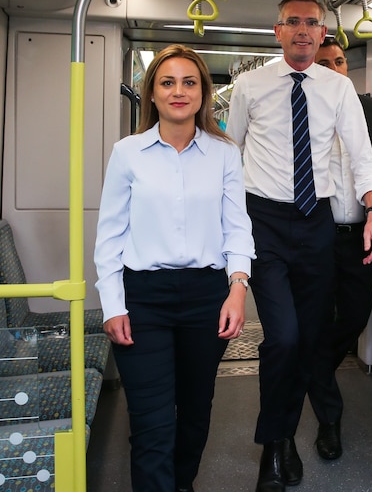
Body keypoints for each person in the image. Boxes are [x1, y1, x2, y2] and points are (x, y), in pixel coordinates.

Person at [226, 0, 372, 492]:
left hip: (315, 220)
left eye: (311, 23)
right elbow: (229, 159)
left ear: (322, 34)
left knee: (310, 339)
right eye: (292, 22)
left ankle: (284, 437)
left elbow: (362, 155)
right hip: (265, 221)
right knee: (285, 338)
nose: (301, 30)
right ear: (277, 32)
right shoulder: (248, 87)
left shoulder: (338, 89)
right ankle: (274, 446)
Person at [94, 44, 255, 492]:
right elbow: (109, 236)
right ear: (152, 93)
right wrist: (112, 305)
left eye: (189, 82)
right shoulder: (127, 153)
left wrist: (237, 289)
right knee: (152, 420)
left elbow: (237, 228)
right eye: (168, 82)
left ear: (204, 92)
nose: (178, 91)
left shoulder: (224, 154)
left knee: (195, 410)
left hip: (206, 296)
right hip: (142, 298)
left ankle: (181, 483)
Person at [307, 38, 372, 460]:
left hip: (363, 234)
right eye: (325, 63)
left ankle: (309, 372)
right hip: (315, 236)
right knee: (312, 320)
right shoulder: (303, 109)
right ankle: (330, 421)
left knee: (354, 316)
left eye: (340, 62)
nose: (335, 69)